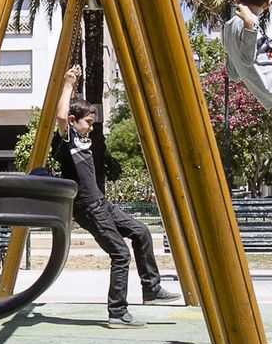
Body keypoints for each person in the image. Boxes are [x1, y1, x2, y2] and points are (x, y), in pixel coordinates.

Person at [52, 65, 180, 328]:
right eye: (87, 122)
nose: (91, 127)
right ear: (76, 122)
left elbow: (74, 114)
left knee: (142, 232)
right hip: (88, 208)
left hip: (101, 203)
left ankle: (151, 290)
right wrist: (67, 84)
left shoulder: (81, 139)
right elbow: (62, 116)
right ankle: (117, 313)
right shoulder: (66, 141)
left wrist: (77, 90)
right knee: (120, 255)